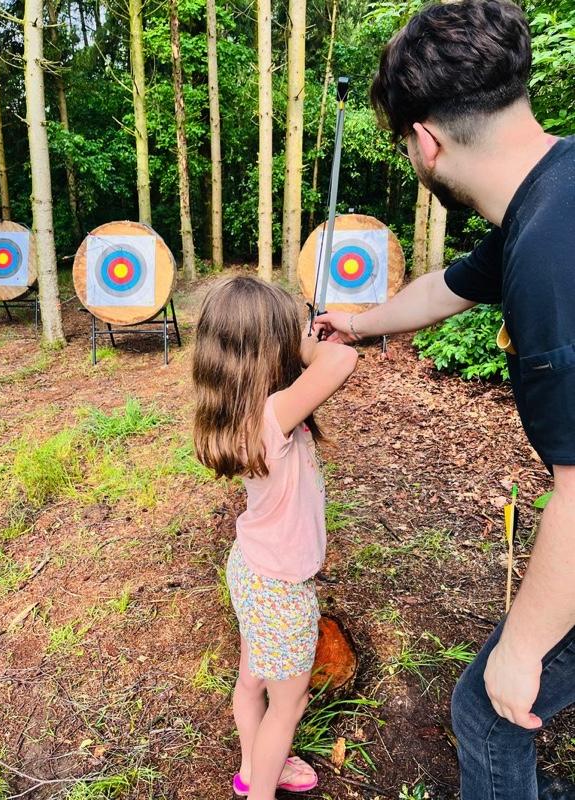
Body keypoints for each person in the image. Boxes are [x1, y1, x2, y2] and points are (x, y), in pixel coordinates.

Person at [314, 2, 575, 799]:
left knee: (489, 711)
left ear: (423, 140)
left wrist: (522, 649)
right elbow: (445, 288)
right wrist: (353, 325)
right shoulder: (548, 191)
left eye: (402, 147)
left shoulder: (549, 260)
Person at [192, 276, 358, 800]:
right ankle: (260, 789)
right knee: (288, 706)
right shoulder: (272, 415)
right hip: (281, 590)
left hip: (252, 569)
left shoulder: (244, 412)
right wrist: (310, 345)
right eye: (286, 337)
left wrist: (298, 338)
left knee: (251, 682)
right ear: (271, 349)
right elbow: (340, 363)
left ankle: (254, 768)